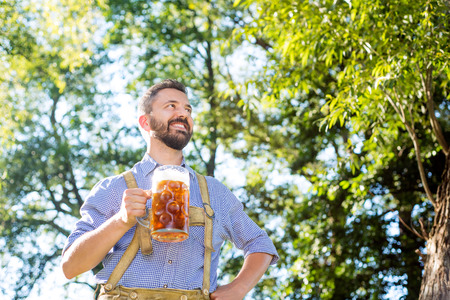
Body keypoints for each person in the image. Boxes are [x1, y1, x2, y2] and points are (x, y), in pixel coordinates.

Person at [61, 79, 279, 300]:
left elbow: (260, 243)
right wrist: (121, 220)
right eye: (171, 106)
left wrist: (238, 288)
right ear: (146, 122)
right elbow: (70, 266)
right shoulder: (114, 188)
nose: (183, 114)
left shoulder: (215, 192)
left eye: (187, 109)